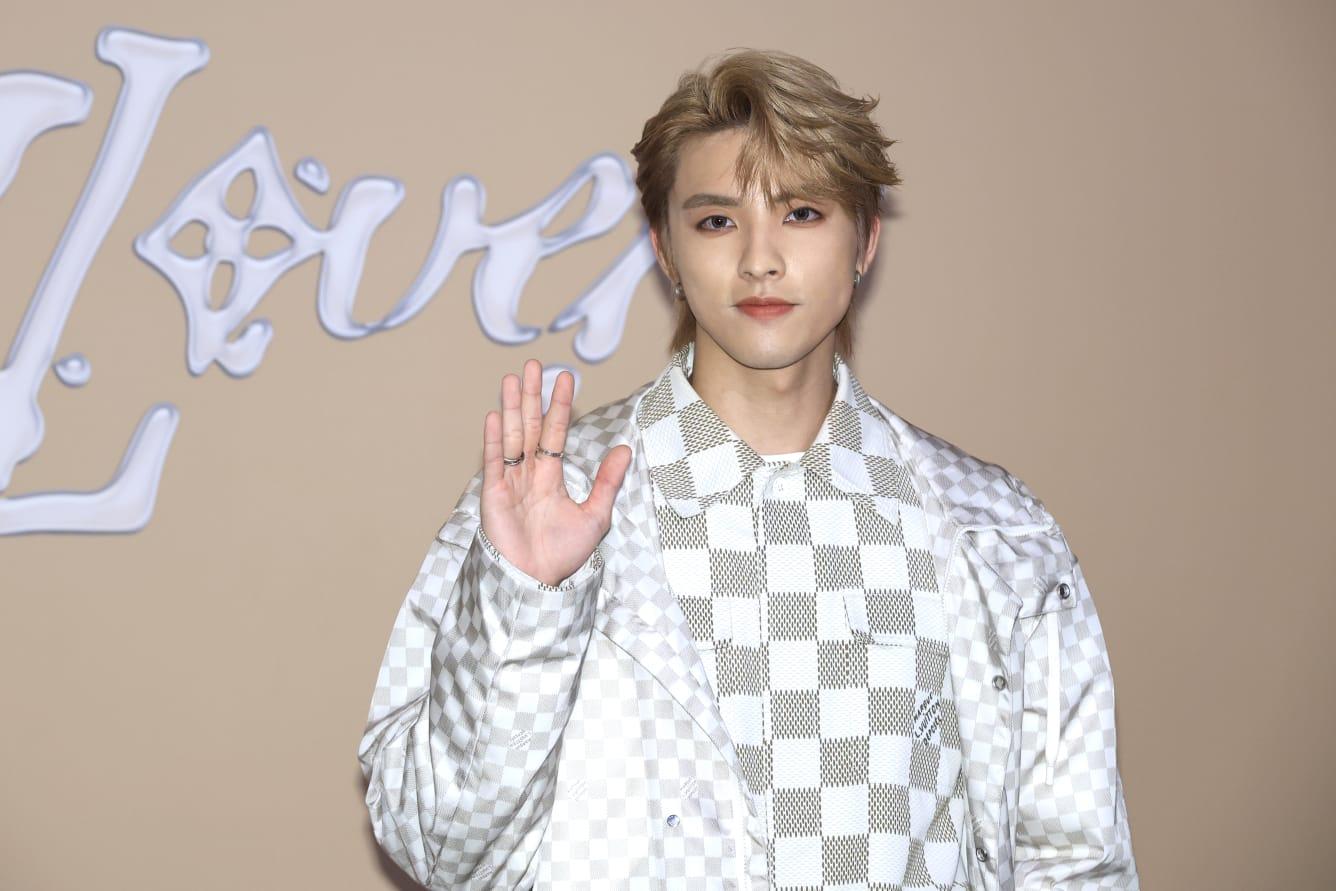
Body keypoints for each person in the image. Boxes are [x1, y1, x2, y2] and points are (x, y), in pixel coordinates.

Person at [357, 47, 1139, 890]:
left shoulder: (993, 528)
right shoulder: (548, 501)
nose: (760, 259)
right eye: (717, 221)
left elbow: (1076, 860)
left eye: (801, 212)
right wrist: (524, 605)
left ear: (866, 239)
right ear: (664, 248)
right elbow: (440, 846)